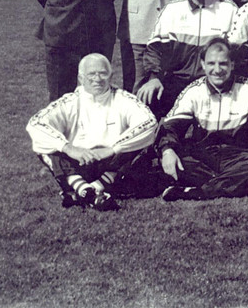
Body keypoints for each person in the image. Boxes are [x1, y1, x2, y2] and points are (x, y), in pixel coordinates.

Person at [27, 54, 157, 211]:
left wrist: (112, 149)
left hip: (112, 163)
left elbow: (149, 122)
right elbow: (35, 123)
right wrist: (69, 148)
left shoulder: (124, 98)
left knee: (142, 142)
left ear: (111, 76)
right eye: (91, 74)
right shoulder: (69, 101)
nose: (97, 79)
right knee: (44, 145)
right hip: (77, 163)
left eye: (103, 73)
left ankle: (84, 190)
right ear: (81, 78)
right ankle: (90, 191)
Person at [156, 38, 248, 201]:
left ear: (232, 64)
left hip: (239, 156)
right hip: (203, 156)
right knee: (169, 159)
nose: (217, 70)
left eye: (223, 64)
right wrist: (167, 151)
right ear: (203, 64)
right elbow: (171, 126)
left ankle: (196, 191)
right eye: (211, 64)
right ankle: (236, 186)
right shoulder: (193, 90)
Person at [137, 0, 238, 118]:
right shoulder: (172, 10)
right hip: (176, 81)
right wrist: (153, 78)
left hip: (213, 81)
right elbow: (154, 49)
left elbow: (238, 53)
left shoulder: (229, 9)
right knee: (149, 100)